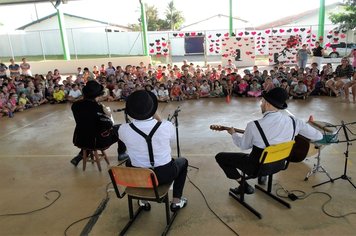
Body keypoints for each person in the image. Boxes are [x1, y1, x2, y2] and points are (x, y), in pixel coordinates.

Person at [215, 87, 323, 194]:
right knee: (265, 154)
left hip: (256, 168)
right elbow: (318, 136)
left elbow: (243, 145)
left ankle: (244, 185)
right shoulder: (294, 121)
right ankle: (263, 177)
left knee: (220, 157)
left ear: (267, 104)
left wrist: (233, 134)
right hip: (279, 165)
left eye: (262, 102)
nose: (261, 104)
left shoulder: (254, 126)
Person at [118, 90, 188, 212]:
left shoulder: (123, 129)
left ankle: (143, 200)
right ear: (152, 109)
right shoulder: (166, 126)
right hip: (164, 174)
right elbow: (170, 137)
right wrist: (157, 116)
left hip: (138, 176)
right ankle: (176, 202)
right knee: (183, 162)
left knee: (131, 161)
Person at [70, 80, 128, 166]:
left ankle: (81, 154)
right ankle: (122, 153)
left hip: (80, 138)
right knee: (121, 128)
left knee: (90, 130)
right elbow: (108, 125)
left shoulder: (75, 105)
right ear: (97, 95)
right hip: (97, 141)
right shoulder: (97, 107)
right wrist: (107, 114)